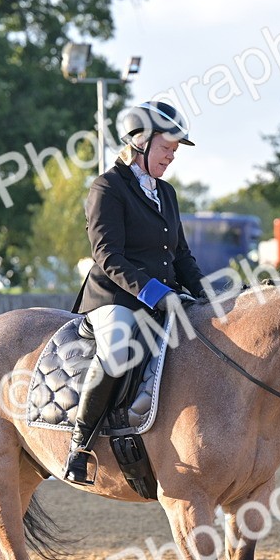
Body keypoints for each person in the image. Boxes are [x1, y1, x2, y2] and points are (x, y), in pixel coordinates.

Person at [62, 101, 207, 484]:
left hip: (166, 294)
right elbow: (107, 254)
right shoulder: (107, 188)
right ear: (140, 142)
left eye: (175, 151)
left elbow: (180, 255)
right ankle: (81, 444)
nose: (171, 157)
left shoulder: (167, 193)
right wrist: (155, 293)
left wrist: (208, 296)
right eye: (166, 149)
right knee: (118, 350)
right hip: (116, 297)